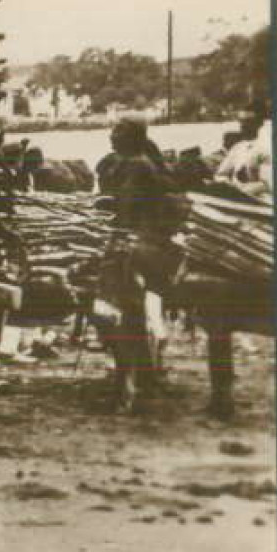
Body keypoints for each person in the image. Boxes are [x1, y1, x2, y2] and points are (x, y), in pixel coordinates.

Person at [93, 116, 180, 412]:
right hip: (145, 244)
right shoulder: (142, 161)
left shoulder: (136, 165)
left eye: (118, 131)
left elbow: (126, 211)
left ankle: (127, 390)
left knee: (116, 315)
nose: (111, 135)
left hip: (134, 247)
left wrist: (106, 214)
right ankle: (144, 382)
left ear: (132, 136)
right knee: (132, 316)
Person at [215, 108, 273, 199]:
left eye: (249, 121)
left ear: (259, 124)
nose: (243, 125)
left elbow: (268, 183)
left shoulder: (267, 147)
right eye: (241, 121)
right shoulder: (238, 147)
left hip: (260, 200)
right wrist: (228, 185)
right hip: (235, 195)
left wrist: (242, 190)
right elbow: (221, 174)